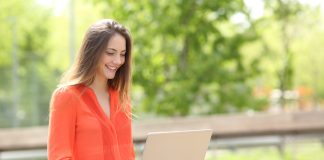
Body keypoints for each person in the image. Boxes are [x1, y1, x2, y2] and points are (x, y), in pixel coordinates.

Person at [47, 19, 135, 160]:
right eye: (110, 53)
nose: (118, 61)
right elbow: (60, 156)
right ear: (93, 52)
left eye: (122, 54)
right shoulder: (66, 97)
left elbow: (128, 155)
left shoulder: (122, 98)